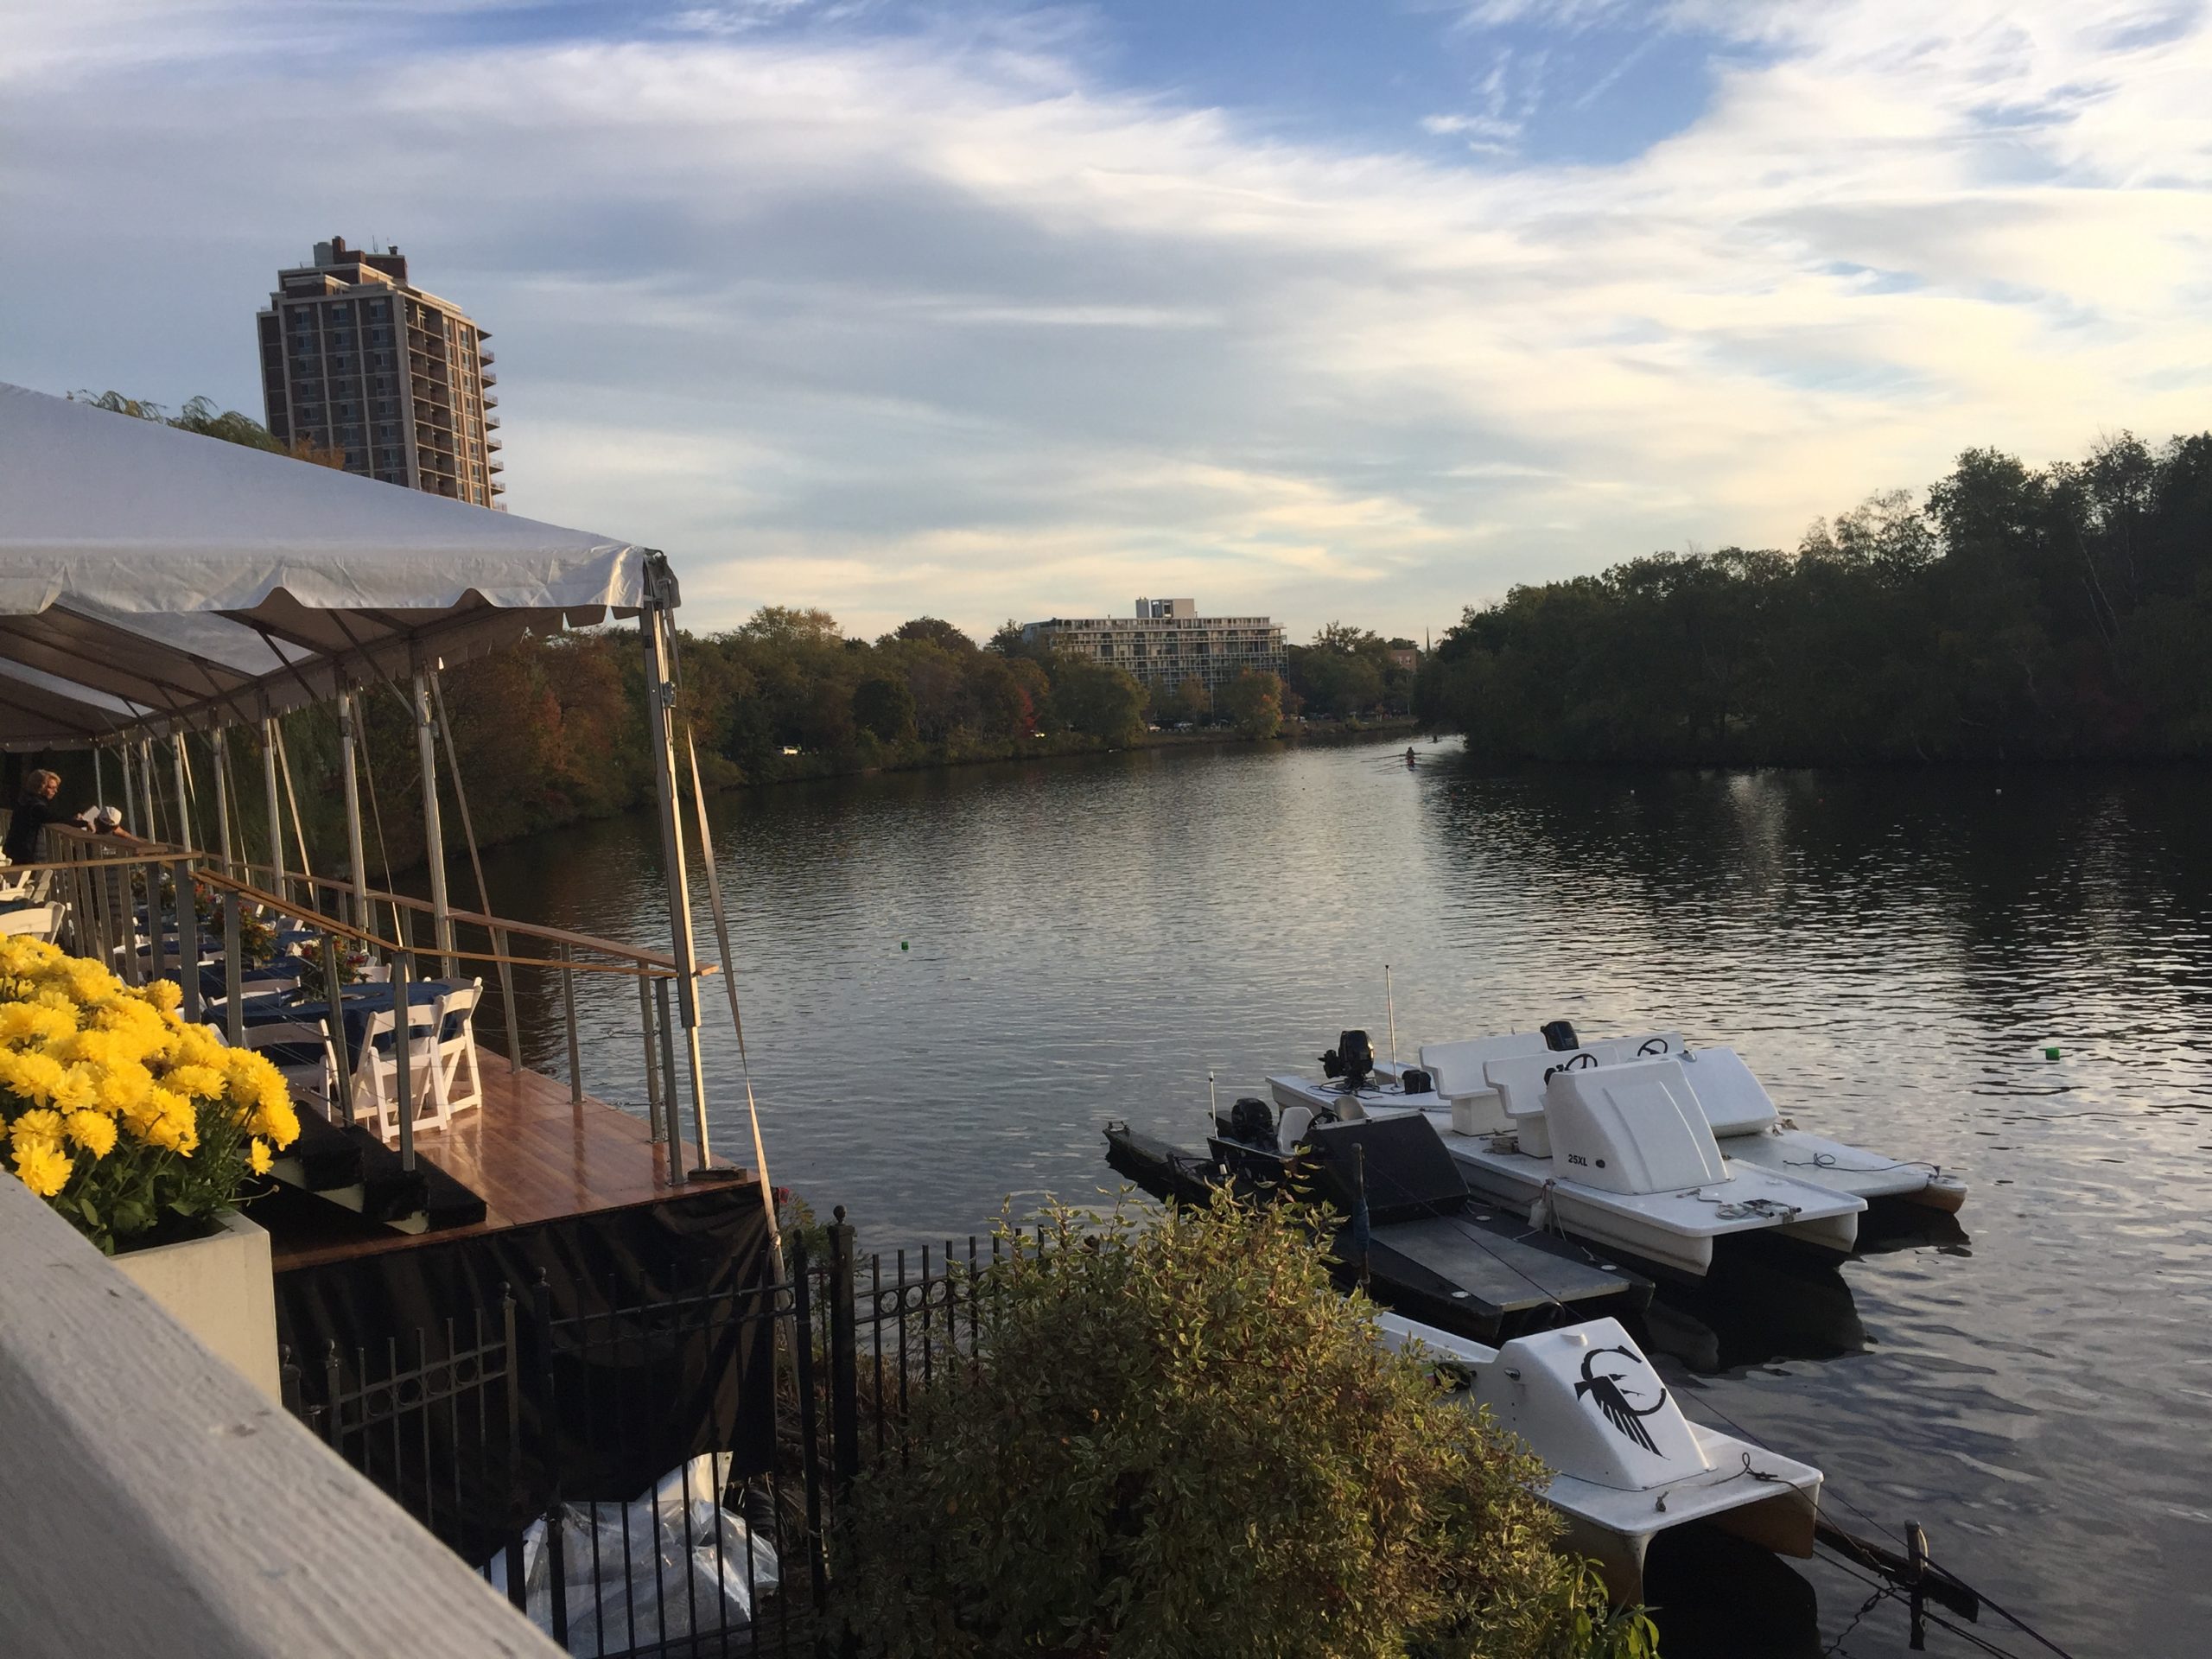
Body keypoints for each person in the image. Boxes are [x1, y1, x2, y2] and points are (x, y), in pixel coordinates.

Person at [3, 770, 70, 866]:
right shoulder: (35, 806)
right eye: (52, 788)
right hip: (28, 855)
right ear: (40, 787)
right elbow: (53, 818)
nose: (55, 791)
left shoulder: (24, 801)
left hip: (14, 850)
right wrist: (80, 822)